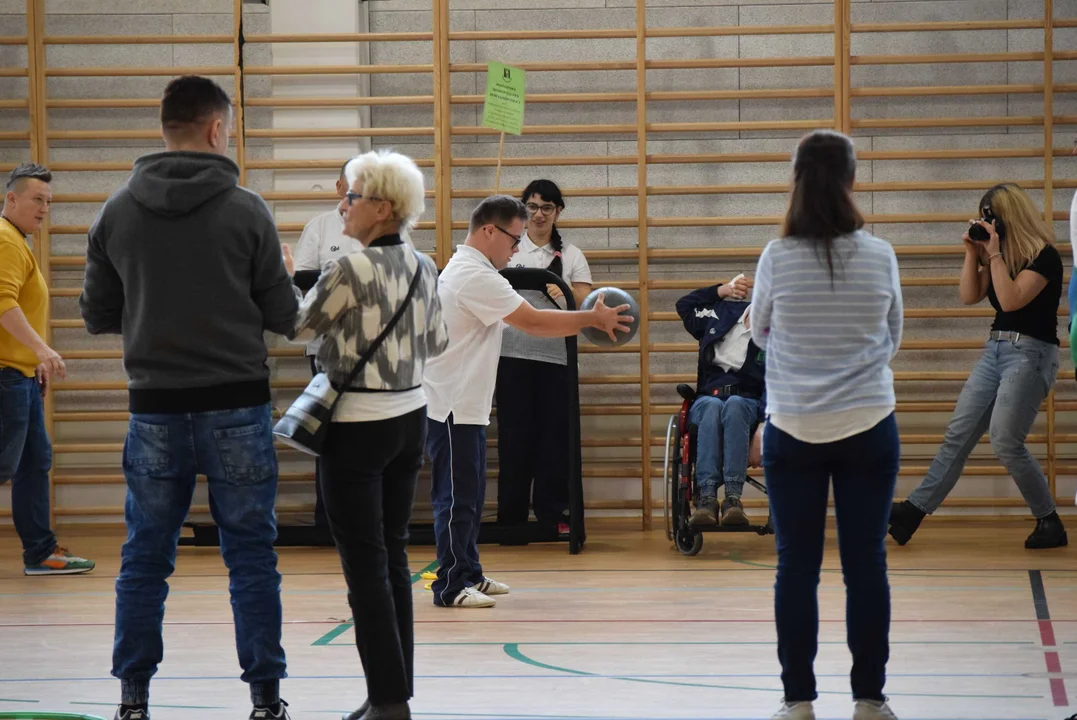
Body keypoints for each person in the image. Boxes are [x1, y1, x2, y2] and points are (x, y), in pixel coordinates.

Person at [79, 75, 297, 720]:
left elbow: (96, 313)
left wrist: (156, 314)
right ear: (215, 129)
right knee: (251, 556)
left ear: (165, 127)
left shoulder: (115, 210)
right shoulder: (247, 209)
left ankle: (133, 698)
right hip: (238, 404)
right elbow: (284, 316)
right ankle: (264, 699)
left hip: (154, 406)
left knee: (145, 556)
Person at [287, 149, 447, 720]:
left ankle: (388, 701)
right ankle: (393, 693)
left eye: (351, 196)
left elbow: (296, 326)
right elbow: (439, 341)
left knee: (364, 567)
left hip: (356, 426)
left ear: (381, 207)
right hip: (410, 420)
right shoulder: (425, 264)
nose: (342, 206)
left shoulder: (350, 268)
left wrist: (283, 279)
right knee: (393, 555)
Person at [750, 130, 903, 720]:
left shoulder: (776, 256)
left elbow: (760, 335)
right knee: (866, 564)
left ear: (795, 180)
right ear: (851, 180)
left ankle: (798, 702)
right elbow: (892, 339)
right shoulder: (880, 254)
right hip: (869, 422)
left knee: (797, 566)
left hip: (793, 426)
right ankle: (870, 697)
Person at [421, 195, 632, 609]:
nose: (517, 248)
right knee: (455, 498)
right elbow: (533, 321)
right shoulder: (472, 275)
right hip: (450, 405)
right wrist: (591, 318)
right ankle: (449, 584)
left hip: (465, 406)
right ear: (488, 231)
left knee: (470, 495)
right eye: (513, 238)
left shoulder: (477, 269)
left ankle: (469, 573)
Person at [889, 183, 1066, 549]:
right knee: (959, 433)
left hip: (1031, 355)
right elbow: (969, 295)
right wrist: (973, 253)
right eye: (984, 217)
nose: (988, 223)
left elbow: (1013, 300)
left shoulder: (1044, 256)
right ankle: (913, 513)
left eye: (993, 217)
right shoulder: (998, 255)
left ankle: (1049, 520)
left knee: (1004, 439)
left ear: (1009, 217)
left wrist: (997, 256)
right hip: (996, 351)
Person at [0, 163, 94, 576]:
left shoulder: (18, 242)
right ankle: (40, 551)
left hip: (20, 375)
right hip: (6, 377)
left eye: (49, 202)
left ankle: (40, 551)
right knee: (6, 465)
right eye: (37, 199)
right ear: (12, 198)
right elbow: (2, 303)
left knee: (35, 462)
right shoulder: (4, 239)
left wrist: (34, 357)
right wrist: (41, 350)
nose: (44, 209)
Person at [495, 180, 592, 533]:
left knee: (555, 438)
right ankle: (512, 518)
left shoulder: (573, 255)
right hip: (510, 355)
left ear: (558, 212)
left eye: (547, 208)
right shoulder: (508, 251)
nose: (539, 214)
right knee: (514, 436)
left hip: (556, 358)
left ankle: (554, 516)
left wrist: (563, 294)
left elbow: (582, 303)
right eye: (532, 207)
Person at [292, 161, 361, 529]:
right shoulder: (319, 227)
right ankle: (329, 518)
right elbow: (302, 281)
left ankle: (369, 517)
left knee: (368, 433)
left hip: (376, 351)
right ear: (338, 186)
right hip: (327, 349)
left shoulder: (388, 224)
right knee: (327, 432)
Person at [675, 273, 765, 526]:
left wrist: (763, 426)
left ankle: (733, 498)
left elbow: (776, 384)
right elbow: (684, 306)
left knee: (735, 406)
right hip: (708, 397)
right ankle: (706, 497)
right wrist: (720, 291)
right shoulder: (723, 311)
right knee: (713, 406)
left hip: (746, 402)